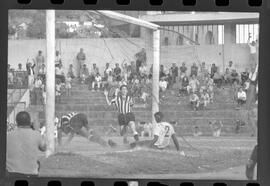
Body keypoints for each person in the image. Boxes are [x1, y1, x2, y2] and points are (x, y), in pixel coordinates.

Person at [6, 111, 46, 177]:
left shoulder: (8, 135)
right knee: (38, 163)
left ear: (17, 122)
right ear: (30, 122)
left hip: (12, 174)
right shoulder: (36, 134)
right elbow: (44, 148)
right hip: (31, 174)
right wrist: (37, 130)